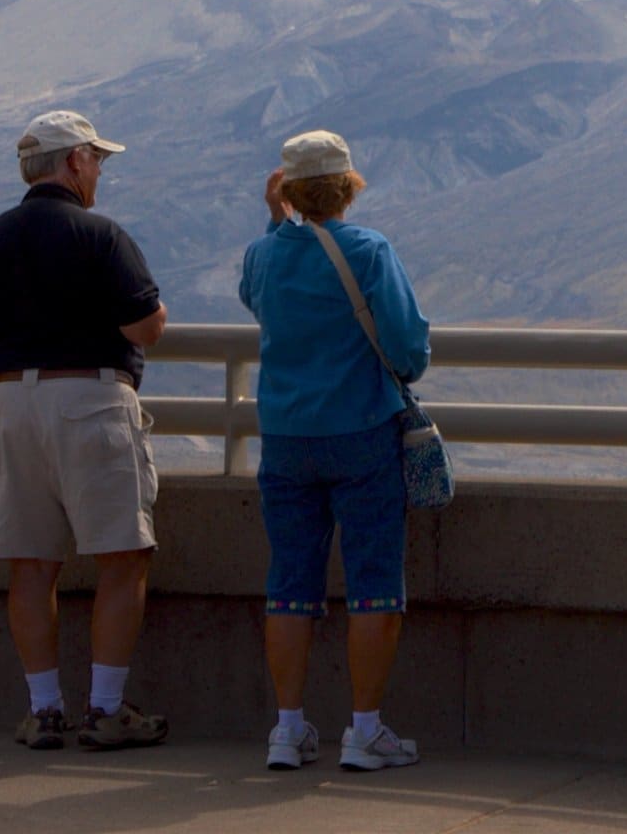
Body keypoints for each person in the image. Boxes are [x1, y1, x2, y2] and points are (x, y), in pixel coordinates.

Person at [0, 109, 170, 752]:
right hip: (91, 401)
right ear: (74, 162)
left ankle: (44, 712)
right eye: (97, 159)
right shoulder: (101, 236)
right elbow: (146, 329)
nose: (99, 171)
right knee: (124, 556)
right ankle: (104, 710)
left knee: (31, 564)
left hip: (9, 404)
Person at [239, 130, 432, 774]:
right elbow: (408, 350)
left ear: (288, 189)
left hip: (286, 440)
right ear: (350, 186)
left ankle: (287, 731)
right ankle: (365, 732)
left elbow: (256, 297)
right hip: (361, 433)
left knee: (290, 583)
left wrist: (277, 221)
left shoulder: (263, 255)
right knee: (374, 582)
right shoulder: (369, 250)